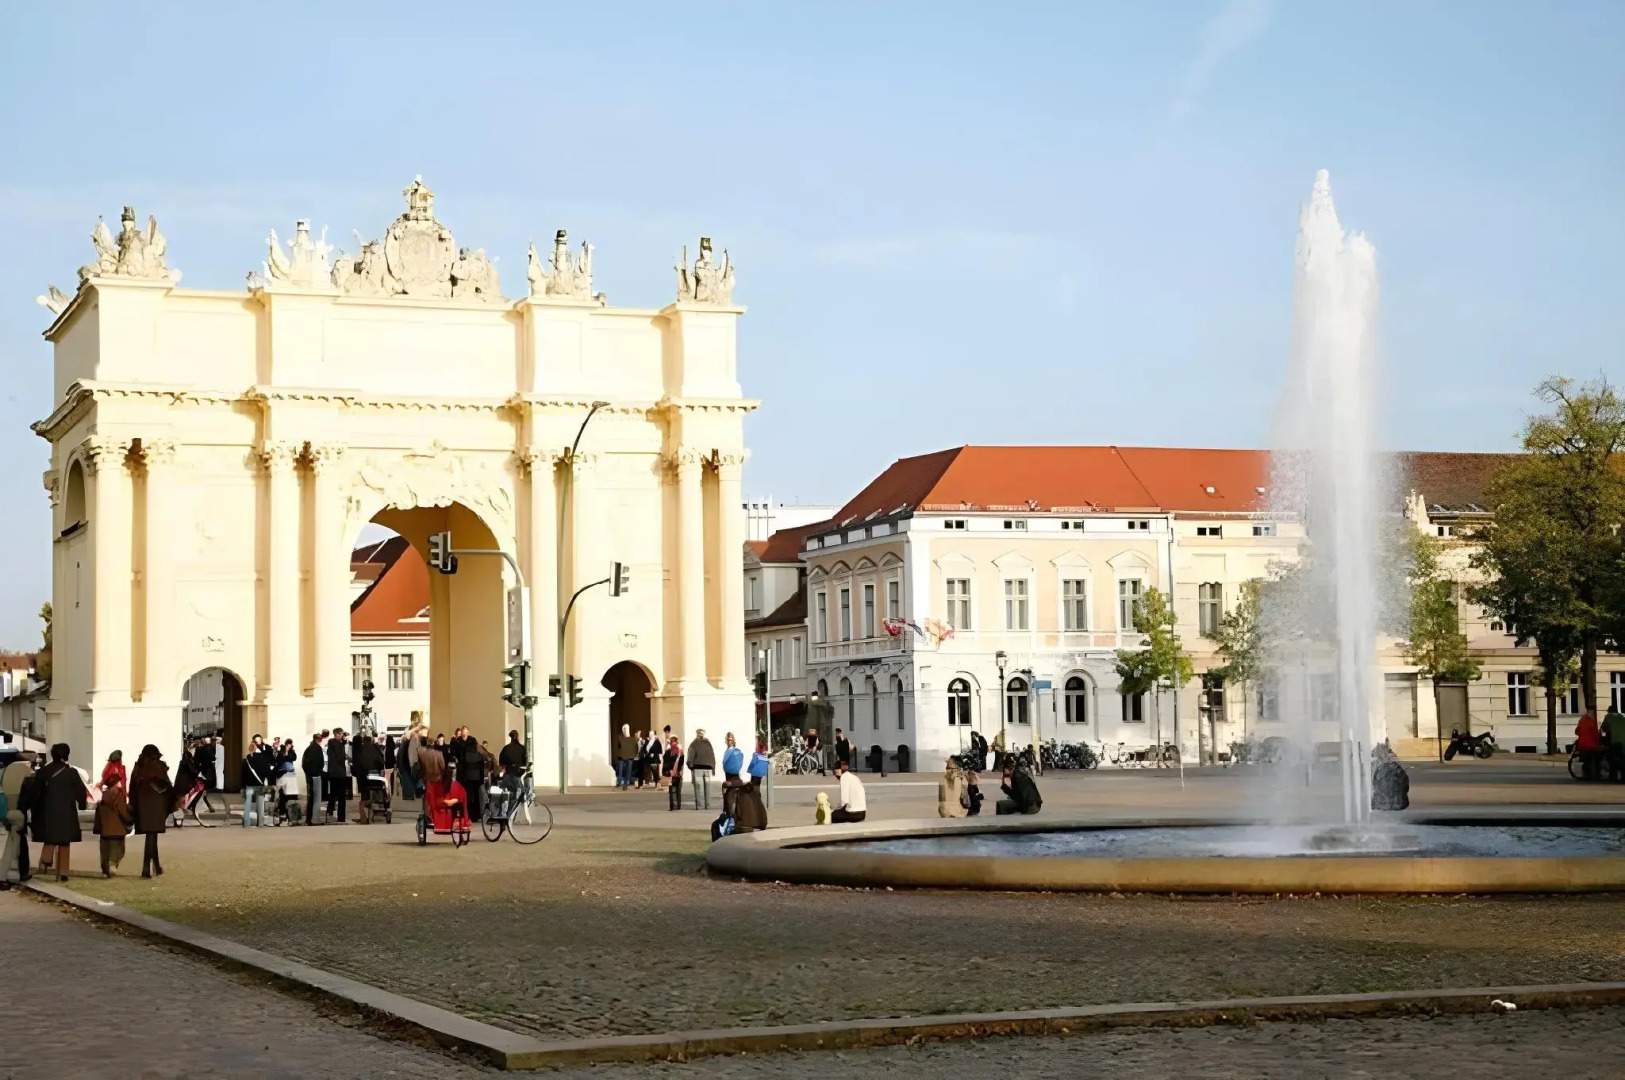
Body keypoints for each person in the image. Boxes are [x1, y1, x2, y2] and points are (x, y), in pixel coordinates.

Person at [32, 743, 88, 881]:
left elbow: (35, 793)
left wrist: (34, 808)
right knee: (64, 841)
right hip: (66, 810)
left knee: (50, 836)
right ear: (66, 754)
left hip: (47, 810)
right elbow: (80, 791)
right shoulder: (71, 772)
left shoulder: (43, 772)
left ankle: (46, 859)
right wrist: (81, 804)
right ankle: (63, 872)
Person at [129, 745, 172, 878]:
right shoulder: (159, 767)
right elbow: (168, 785)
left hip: (142, 804)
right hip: (157, 804)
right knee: (152, 836)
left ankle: (155, 866)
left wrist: (133, 805)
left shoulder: (139, 767)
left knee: (151, 835)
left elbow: (132, 787)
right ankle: (147, 868)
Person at [1, 750, 34, 888]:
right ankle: (9, 875)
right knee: (13, 846)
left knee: (13, 843)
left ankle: (10, 874)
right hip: (14, 813)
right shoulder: (24, 770)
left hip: (7, 814)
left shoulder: (5, 772)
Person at [94, 770, 132, 877]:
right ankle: (112, 864)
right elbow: (122, 811)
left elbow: (98, 815)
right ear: (116, 783)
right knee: (118, 849)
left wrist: (98, 827)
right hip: (117, 829)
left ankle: (105, 870)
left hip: (105, 830)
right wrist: (130, 819)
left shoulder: (102, 796)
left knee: (104, 851)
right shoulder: (118, 795)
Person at [240, 734, 274, 827]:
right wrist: (267, 783)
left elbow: (243, 774)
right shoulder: (263, 759)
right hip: (259, 784)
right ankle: (260, 822)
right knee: (260, 804)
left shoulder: (246, 760)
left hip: (249, 785)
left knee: (247, 804)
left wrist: (242, 786)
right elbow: (267, 772)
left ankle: (246, 823)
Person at [687, 729, 716, 811]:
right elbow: (712, 756)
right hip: (707, 768)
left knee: (698, 787)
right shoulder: (708, 744)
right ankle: (707, 805)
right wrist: (713, 767)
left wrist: (690, 765)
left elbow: (690, 756)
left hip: (697, 768)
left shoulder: (694, 744)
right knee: (707, 787)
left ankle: (699, 805)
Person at [326, 728, 350, 822]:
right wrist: (346, 757)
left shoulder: (331, 744)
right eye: (340, 734)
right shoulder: (338, 745)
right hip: (339, 773)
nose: (342, 736)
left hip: (332, 773)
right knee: (341, 796)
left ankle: (330, 812)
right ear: (336, 734)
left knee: (332, 794)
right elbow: (340, 757)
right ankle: (341, 817)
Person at [720, 732, 745, 817]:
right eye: (728, 740)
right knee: (727, 793)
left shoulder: (731, 751)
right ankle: (727, 811)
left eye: (731, 740)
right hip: (732, 776)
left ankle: (726, 812)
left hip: (732, 776)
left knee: (727, 794)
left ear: (733, 741)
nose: (729, 741)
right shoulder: (734, 751)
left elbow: (725, 763)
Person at [1576, 709, 1605, 781]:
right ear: (1592, 714)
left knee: (1586, 760)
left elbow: (1576, 731)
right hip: (1592, 746)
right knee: (1599, 757)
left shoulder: (1581, 720)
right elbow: (1596, 736)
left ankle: (1586, 774)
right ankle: (1597, 774)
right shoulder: (1593, 722)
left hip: (1582, 745)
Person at [1601, 705, 1625, 782]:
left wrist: (1602, 736)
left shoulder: (1608, 717)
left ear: (1609, 711)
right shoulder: (1622, 717)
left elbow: (1603, 729)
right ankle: (1623, 777)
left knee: (1612, 758)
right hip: (1623, 741)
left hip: (1615, 741)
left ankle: (1612, 776)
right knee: (1623, 759)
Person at [613, 724, 638, 790]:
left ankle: (625, 785)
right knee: (620, 769)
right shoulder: (620, 737)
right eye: (623, 729)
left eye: (625, 729)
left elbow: (635, 747)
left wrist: (634, 754)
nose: (624, 730)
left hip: (630, 756)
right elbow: (618, 747)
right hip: (622, 756)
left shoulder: (632, 738)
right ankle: (619, 782)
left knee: (628, 770)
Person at [663, 736, 685, 811]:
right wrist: (680, 770)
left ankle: (672, 805)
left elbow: (665, 763)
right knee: (678, 790)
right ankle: (678, 805)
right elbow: (681, 763)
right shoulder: (680, 752)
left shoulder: (668, 752)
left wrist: (667, 771)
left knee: (671, 790)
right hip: (678, 773)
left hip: (671, 773)